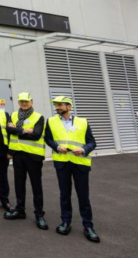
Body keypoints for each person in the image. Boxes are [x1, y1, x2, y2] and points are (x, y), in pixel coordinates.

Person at [45, 96, 100, 243]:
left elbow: (92, 142)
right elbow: (48, 139)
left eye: (60, 105)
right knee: (64, 194)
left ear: (69, 106)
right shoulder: (51, 121)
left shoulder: (83, 122)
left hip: (80, 163)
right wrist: (57, 147)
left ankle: (88, 226)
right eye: (56, 105)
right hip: (62, 163)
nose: (57, 107)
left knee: (83, 196)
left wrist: (83, 150)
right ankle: (65, 222)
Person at [4, 92, 48, 230]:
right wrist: (24, 131)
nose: (24, 104)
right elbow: (9, 130)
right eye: (21, 101)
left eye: (26, 101)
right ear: (18, 102)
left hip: (33, 156)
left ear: (31, 102)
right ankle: (20, 210)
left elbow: (36, 135)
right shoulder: (13, 115)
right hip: (18, 156)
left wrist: (16, 130)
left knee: (36, 186)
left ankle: (39, 215)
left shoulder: (38, 117)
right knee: (19, 184)